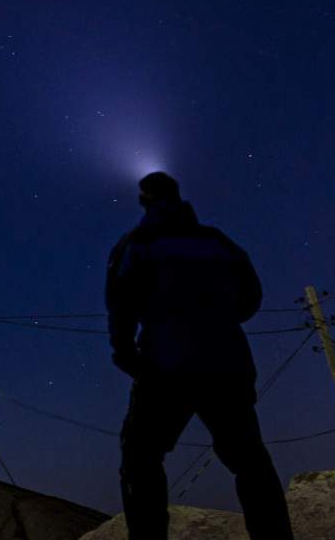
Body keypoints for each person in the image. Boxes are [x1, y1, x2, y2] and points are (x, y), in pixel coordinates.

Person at [106, 171, 294, 540]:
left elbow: (121, 303)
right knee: (250, 461)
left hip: (164, 368)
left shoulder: (137, 244)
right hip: (227, 365)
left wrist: (127, 354)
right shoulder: (218, 242)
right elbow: (251, 297)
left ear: (145, 202)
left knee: (140, 459)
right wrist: (216, 324)